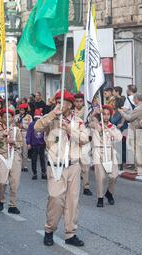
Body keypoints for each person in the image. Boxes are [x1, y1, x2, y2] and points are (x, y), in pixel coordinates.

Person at [34, 90, 89, 247]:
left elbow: (85, 139)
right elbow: (37, 127)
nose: (59, 104)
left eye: (62, 102)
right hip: (56, 166)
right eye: (57, 101)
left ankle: (70, 233)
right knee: (56, 199)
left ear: (70, 105)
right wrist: (52, 114)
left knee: (72, 202)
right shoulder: (51, 119)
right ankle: (49, 229)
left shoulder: (78, 122)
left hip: (73, 165)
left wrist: (69, 129)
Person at [0, 106, 23, 214]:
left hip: (14, 156)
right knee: (2, 181)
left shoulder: (16, 130)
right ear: (1, 118)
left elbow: (20, 144)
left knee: (14, 183)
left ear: (12, 118)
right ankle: (1, 199)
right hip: (2, 156)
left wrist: (14, 142)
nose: (7, 118)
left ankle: (12, 205)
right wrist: (1, 135)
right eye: (5, 116)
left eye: (9, 116)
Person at [90, 105, 123, 207]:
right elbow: (89, 120)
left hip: (110, 152)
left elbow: (119, 138)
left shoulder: (112, 127)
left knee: (113, 175)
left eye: (108, 114)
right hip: (98, 151)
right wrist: (95, 113)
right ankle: (100, 198)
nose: (105, 116)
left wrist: (109, 130)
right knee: (100, 177)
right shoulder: (95, 125)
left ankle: (109, 193)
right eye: (103, 114)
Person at [119, 93, 142, 172]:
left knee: (136, 150)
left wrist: (122, 112)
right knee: (137, 149)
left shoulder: (139, 108)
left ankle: (138, 168)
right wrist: (127, 111)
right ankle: (138, 167)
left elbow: (129, 118)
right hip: (139, 130)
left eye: (134, 99)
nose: (132, 100)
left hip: (136, 130)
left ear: (136, 99)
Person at [73, 93, 93, 196]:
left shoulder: (88, 111)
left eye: (81, 101)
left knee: (85, 166)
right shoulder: (71, 112)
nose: (78, 103)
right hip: (74, 142)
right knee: (73, 166)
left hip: (84, 141)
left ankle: (86, 186)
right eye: (76, 101)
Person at [27, 109, 47, 180]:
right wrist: (28, 143)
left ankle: (42, 173)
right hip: (34, 144)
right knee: (37, 159)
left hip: (40, 144)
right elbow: (29, 134)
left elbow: (45, 134)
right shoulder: (32, 124)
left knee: (40, 159)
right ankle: (36, 173)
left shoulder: (43, 124)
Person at [15, 103, 32, 172]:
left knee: (25, 151)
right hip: (18, 134)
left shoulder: (29, 117)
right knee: (18, 150)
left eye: (22, 110)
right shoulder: (16, 116)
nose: (21, 111)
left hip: (25, 134)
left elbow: (31, 127)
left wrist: (23, 126)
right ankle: (18, 165)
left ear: (25, 110)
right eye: (20, 110)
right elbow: (13, 125)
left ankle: (24, 165)